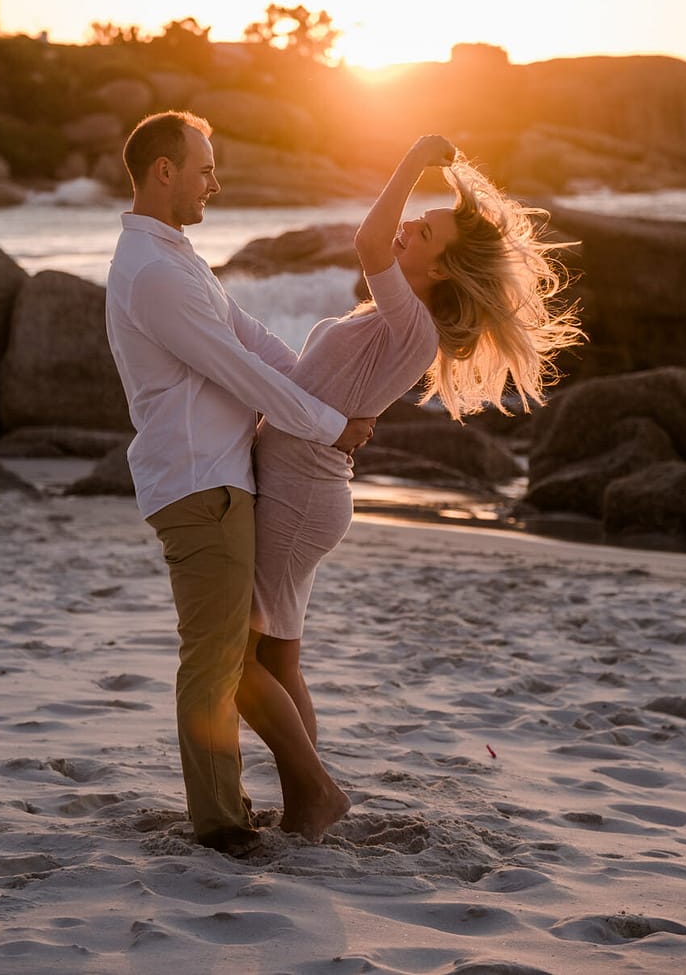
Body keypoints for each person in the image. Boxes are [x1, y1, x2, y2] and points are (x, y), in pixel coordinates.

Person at [235, 133, 584, 841]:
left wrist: (414, 157)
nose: (405, 228)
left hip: (300, 498)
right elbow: (313, 377)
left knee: (233, 660)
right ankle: (307, 803)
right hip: (307, 490)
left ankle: (316, 792)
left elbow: (367, 242)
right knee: (277, 659)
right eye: (416, 220)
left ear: (443, 264)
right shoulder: (392, 319)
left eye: (422, 230)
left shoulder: (412, 326)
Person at [105, 110, 376, 857]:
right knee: (216, 655)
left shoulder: (175, 257)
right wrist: (327, 422)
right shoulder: (154, 272)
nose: (214, 183)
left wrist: (325, 389)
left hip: (222, 477)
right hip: (199, 484)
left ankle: (259, 801)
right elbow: (238, 371)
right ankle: (223, 822)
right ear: (164, 170)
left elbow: (253, 338)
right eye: (204, 168)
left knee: (231, 653)